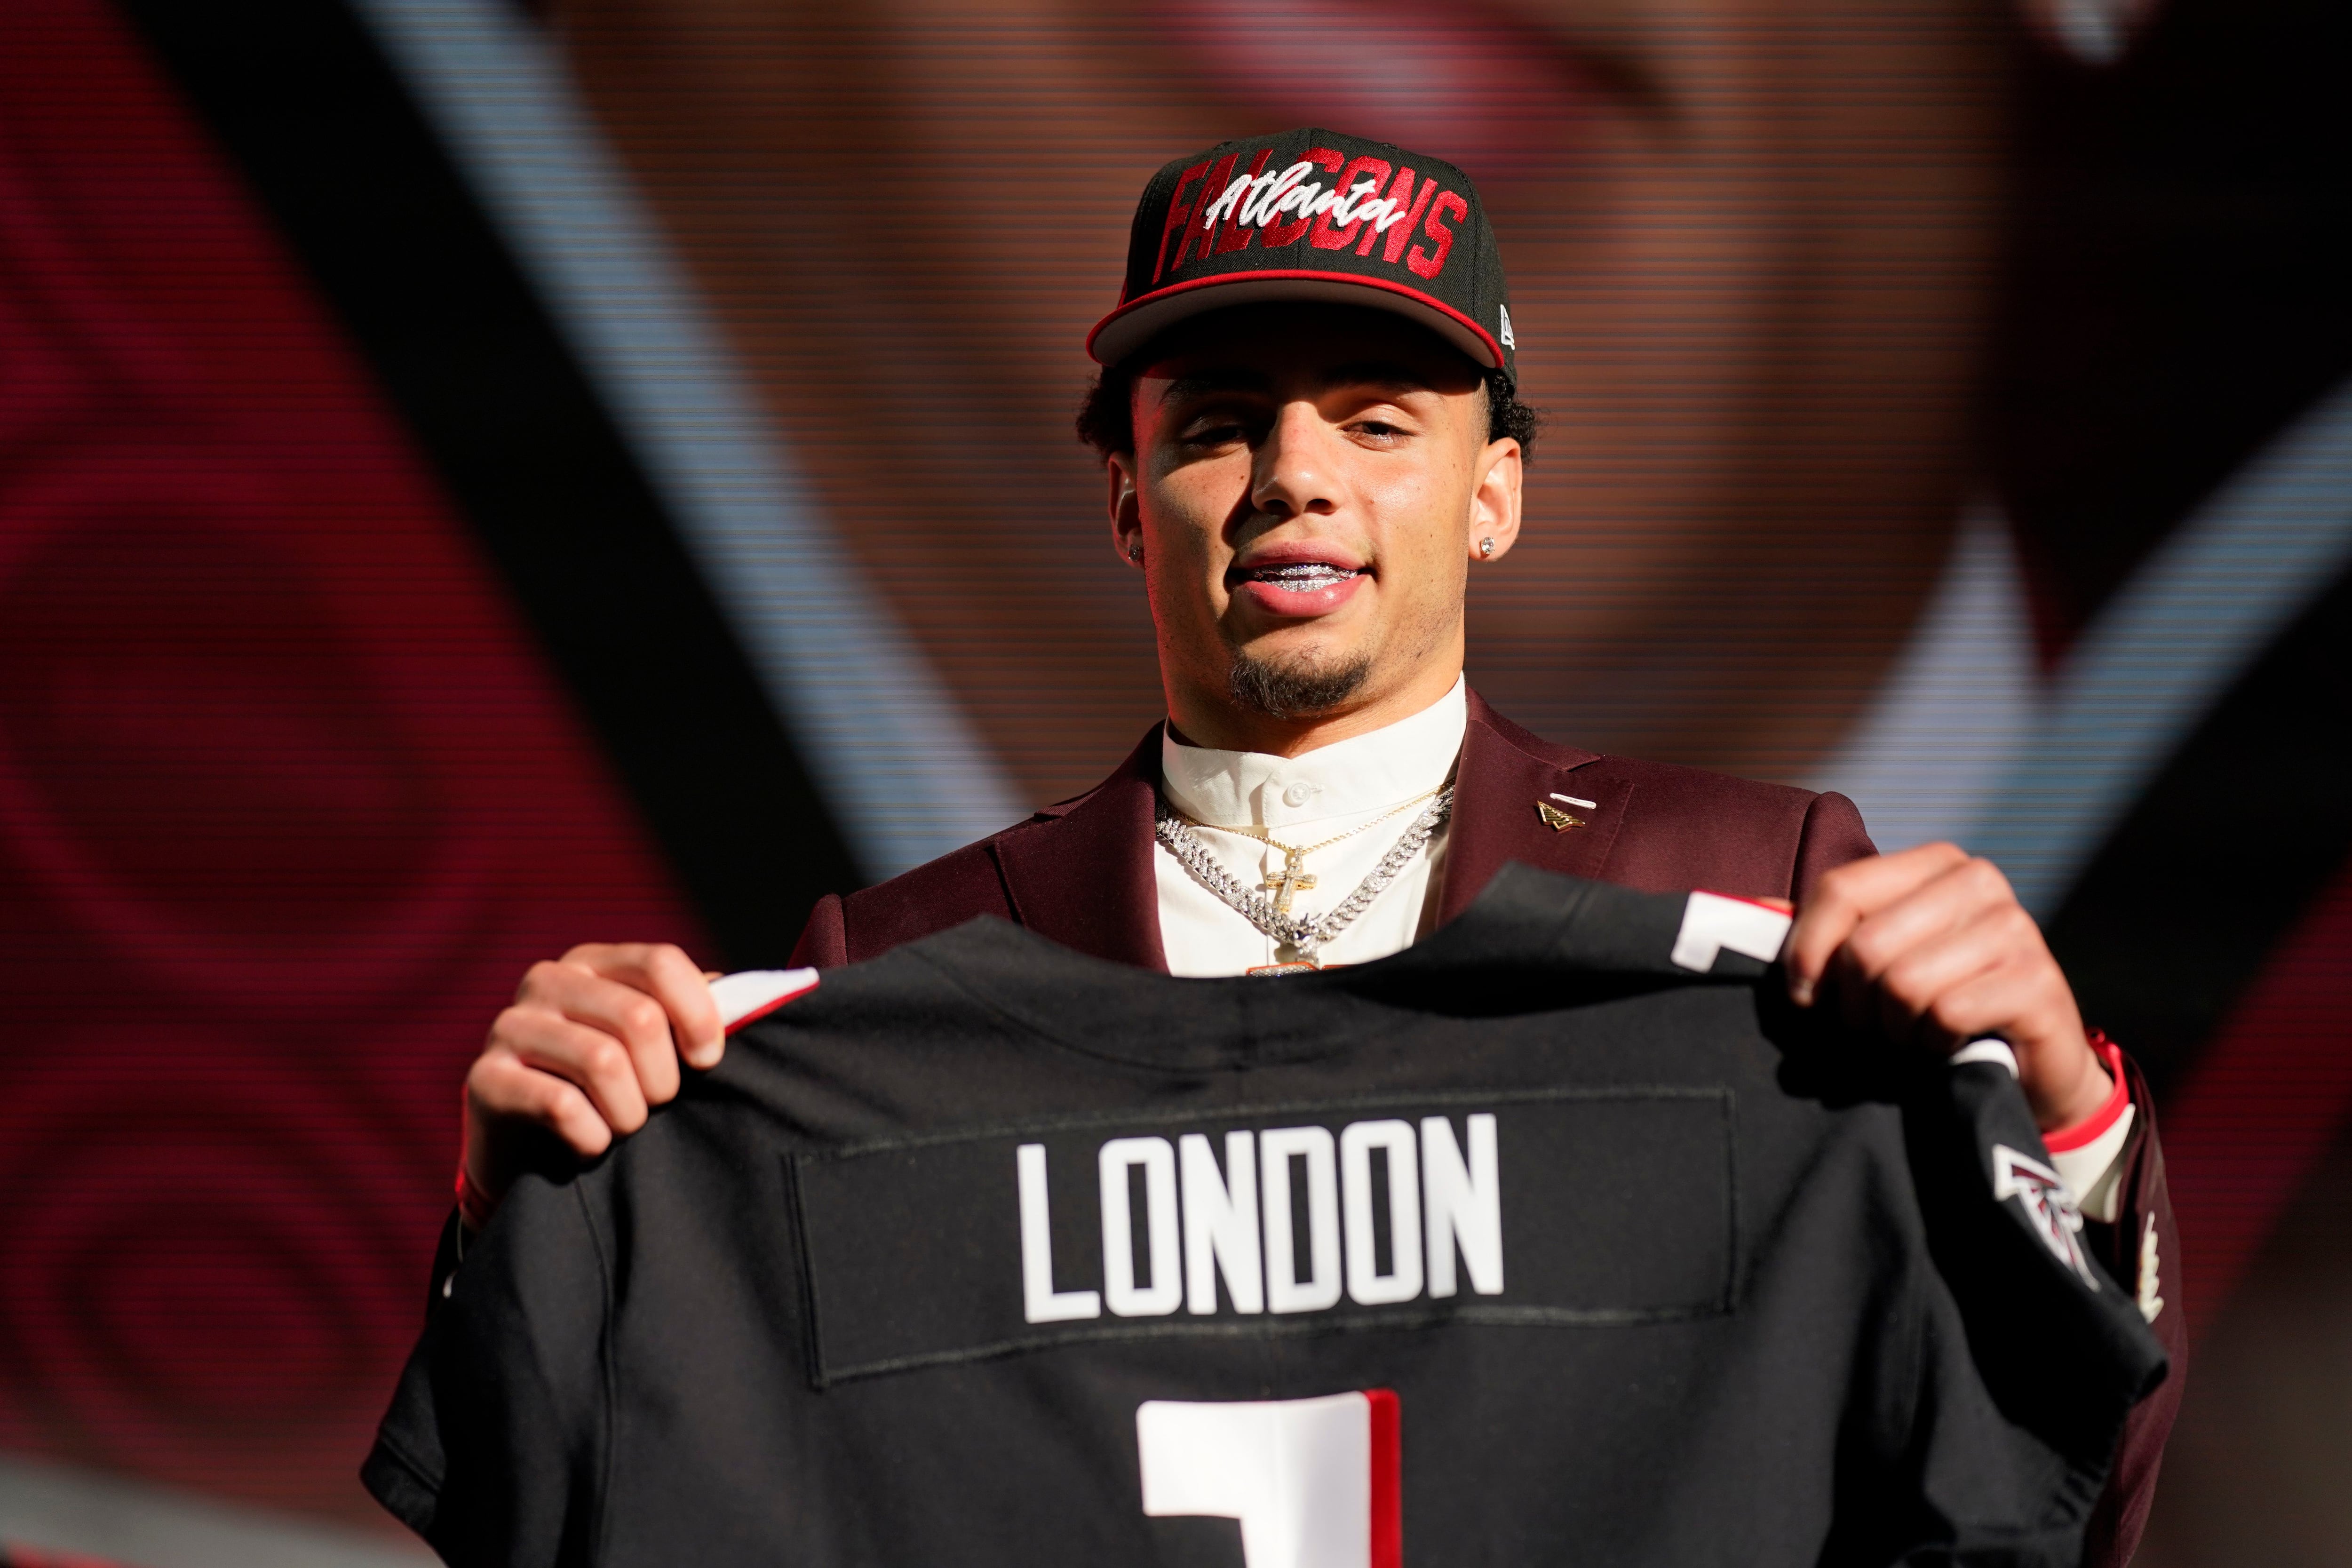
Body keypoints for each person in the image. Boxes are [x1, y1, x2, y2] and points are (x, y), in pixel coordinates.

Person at [453, 131, 2179, 1563]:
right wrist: (528, 1195)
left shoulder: (1748, 894)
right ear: (1132, 503)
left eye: (1377, 418)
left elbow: (2054, 1502)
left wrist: (2067, 1126)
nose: (1295, 475)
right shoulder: (885, 981)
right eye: (1217, 422)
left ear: (1493, 492)